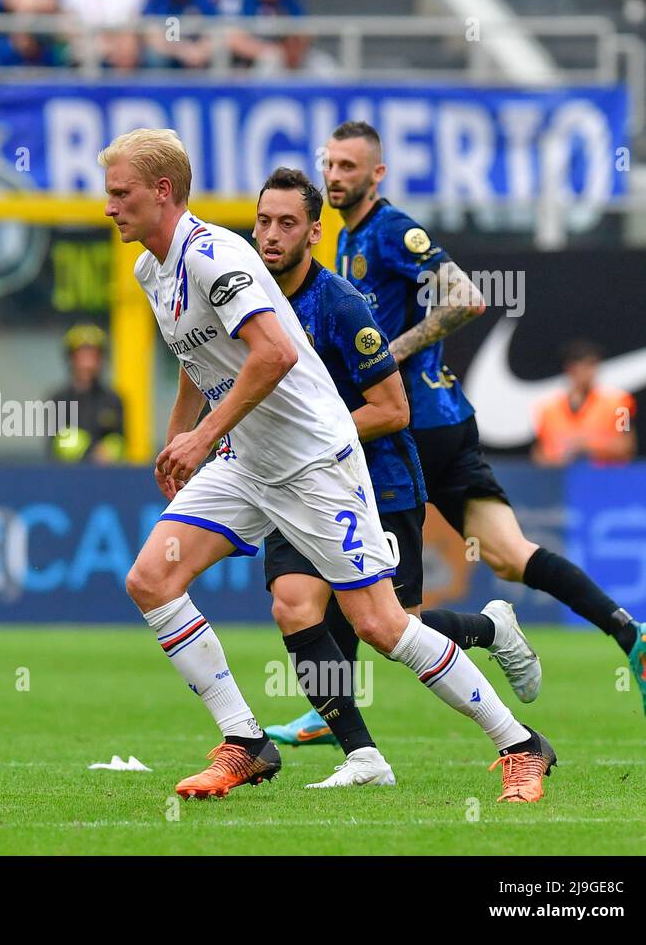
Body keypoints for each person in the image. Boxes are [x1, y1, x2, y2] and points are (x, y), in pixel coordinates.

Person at [103, 128, 555, 803]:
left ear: (162, 192)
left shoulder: (213, 257)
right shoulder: (151, 269)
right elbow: (195, 359)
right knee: (151, 579)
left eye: (120, 193)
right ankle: (246, 742)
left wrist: (203, 439)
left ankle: (521, 745)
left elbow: (274, 354)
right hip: (247, 459)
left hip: (313, 461)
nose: (109, 207)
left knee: (382, 625)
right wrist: (180, 438)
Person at [323, 120, 646, 718]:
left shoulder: (390, 231)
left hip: (413, 428)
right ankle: (632, 634)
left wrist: (392, 352)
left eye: (348, 167)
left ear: (376, 174)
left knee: (358, 575)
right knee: (511, 554)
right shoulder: (348, 239)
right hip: (448, 420)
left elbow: (466, 297)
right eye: (329, 164)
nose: (334, 176)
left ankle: (331, 705)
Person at [252, 168, 540, 774]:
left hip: (377, 480)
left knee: (393, 627)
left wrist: (305, 439)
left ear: (312, 233)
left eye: (286, 223)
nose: (270, 235)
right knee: (295, 603)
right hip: (300, 485)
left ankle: (489, 630)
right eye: (262, 221)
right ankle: (362, 756)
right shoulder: (253, 300)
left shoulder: (341, 305)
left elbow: (392, 410)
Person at [533, 340, 636, 467]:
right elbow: (540, 452)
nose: (590, 372)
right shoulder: (547, 408)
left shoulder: (619, 403)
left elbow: (626, 445)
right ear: (570, 368)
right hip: (561, 480)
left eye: (593, 365)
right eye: (585, 365)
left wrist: (586, 446)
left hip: (605, 477)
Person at [45, 324, 125, 463]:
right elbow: (55, 443)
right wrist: (89, 451)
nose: (88, 363)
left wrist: (109, 451)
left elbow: (120, 440)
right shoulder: (58, 399)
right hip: (67, 476)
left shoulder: (113, 399)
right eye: (82, 355)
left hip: (105, 477)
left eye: (93, 356)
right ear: (71, 359)